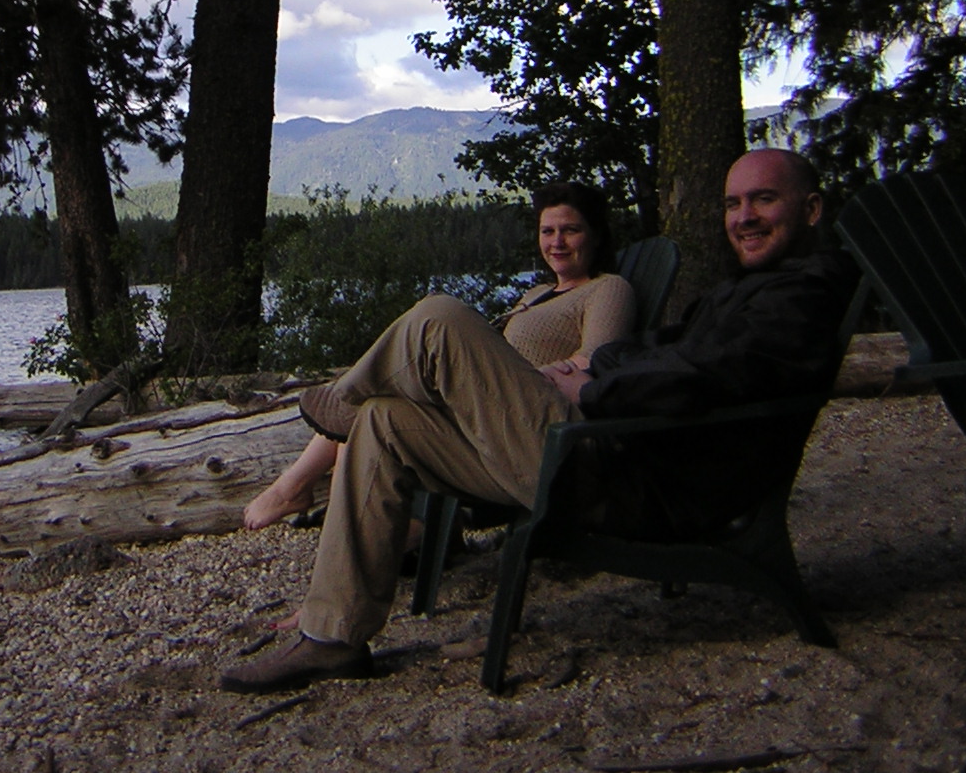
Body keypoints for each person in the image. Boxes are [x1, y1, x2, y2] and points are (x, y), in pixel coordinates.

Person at [219, 148, 860, 694]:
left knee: (438, 318)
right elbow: (654, 352)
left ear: (811, 209)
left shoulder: (799, 297)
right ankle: (333, 637)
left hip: (624, 478)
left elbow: (710, 381)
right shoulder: (747, 291)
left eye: (764, 200)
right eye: (733, 204)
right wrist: (599, 372)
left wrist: (596, 388)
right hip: (589, 453)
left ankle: (336, 404)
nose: (744, 217)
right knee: (384, 420)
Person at [242, 180, 635, 540]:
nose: (557, 242)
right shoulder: (536, 294)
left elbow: (593, 363)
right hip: (483, 409)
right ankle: (397, 534)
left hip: (525, 421)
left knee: (433, 318)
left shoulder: (607, 289)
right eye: (547, 231)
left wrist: (530, 375)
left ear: (596, 235)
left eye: (570, 230)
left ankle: (301, 477)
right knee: (374, 410)